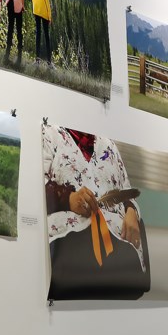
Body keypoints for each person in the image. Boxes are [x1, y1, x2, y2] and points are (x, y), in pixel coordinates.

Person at [42, 124, 150, 300]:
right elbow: (35, 185)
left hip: (119, 246)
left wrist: (131, 211)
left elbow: (126, 190)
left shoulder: (109, 145)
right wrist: (67, 198)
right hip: (68, 244)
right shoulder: (49, 134)